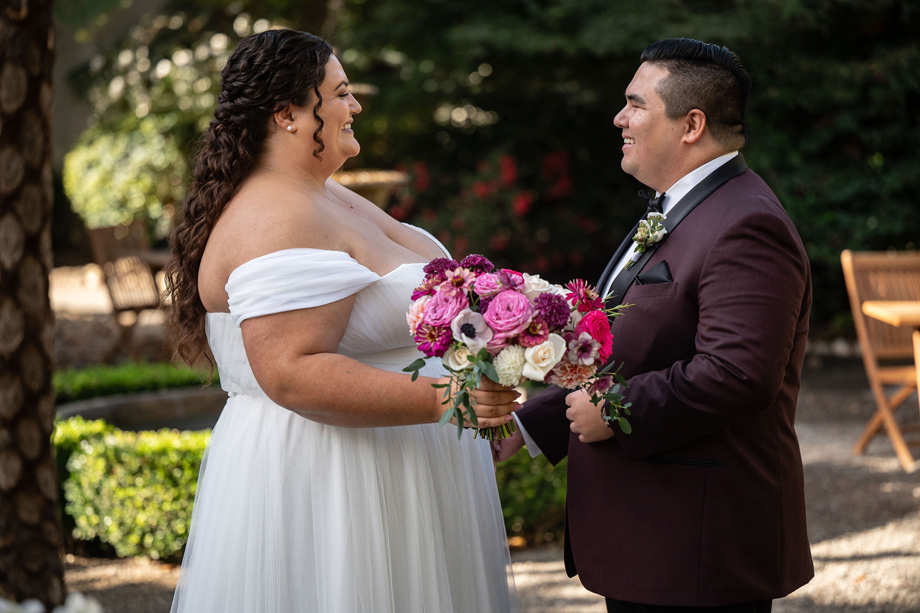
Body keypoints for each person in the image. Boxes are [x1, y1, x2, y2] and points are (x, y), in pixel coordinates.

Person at [165, 29, 519, 612]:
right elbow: (291, 372)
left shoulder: (326, 195)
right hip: (336, 479)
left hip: (398, 464)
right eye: (340, 93)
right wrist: (449, 399)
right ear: (288, 115)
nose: (354, 106)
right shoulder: (277, 216)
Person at [495, 38, 814, 612]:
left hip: (697, 546)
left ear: (691, 124)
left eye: (635, 104)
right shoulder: (679, 208)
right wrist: (528, 425)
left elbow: (738, 373)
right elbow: (635, 351)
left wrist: (614, 410)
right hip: (655, 540)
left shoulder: (746, 223)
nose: (619, 118)